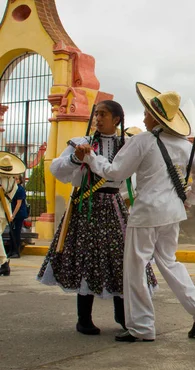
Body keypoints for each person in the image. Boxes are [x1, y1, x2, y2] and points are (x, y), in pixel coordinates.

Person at [79, 83, 195, 342]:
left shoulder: (143, 141)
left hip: (146, 214)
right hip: (172, 213)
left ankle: (141, 327)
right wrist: (189, 199)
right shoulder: (186, 146)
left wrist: (90, 159)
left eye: (146, 112)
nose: (143, 116)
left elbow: (115, 173)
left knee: (135, 268)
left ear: (156, 117)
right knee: (169, 262)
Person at [37, 100, 158, 335]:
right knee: (85, 258)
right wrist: (75, 159)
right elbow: (56, 170)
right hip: (85, 207)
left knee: (121, 259)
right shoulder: (81, 144)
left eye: (103, 114)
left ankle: (123, 316)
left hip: (114, 207)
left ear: (116, 120)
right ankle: (84, 319)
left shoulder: (127, 145)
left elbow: (134, 178)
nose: (98, 119)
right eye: (96, 114)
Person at [0, 153, 24, 276]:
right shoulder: (13, 182)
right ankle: (3, 264)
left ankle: (4, 263)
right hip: (6, 211)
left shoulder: (1, 180)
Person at [8, 174, 27, 259]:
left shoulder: (20, 190)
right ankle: (11, 251)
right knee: (11, 233)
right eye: (14, 179)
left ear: (19, 181)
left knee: (16, 233)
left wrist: (13, 215)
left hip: (18, 214)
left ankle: (16, 251)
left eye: (17, 179)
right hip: (13, 213)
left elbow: (18, 204)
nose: (15, 181)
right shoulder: (12, 189)